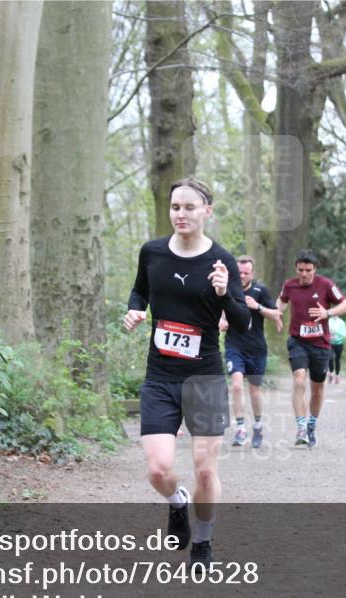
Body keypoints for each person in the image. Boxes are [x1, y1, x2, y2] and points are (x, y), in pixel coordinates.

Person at [123, 176, 250, 569]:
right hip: (160, 376)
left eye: (189, 207)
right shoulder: (153, 252)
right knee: (159, 469)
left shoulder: (222, 261)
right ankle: (177, 502)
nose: (181, 214)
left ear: (206, 212)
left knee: (205, 469)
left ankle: (204, 543)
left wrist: (225, 292)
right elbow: (139, 290)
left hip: (205, 377)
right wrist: (135, 310)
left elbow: (242, 323)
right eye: (175, 207)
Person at [277, 250, 346, 449]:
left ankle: (311, 425)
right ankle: (300, 427)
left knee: (317, 389)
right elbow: (282, 301)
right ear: (296, 269)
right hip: (298, 341)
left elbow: (345, 305)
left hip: (320, 345)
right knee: (299, 379)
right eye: (300, 270)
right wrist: (277, 314)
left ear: (315, 269)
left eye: (308, 270)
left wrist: (327, 312)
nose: (304, 274)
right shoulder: (289, 285)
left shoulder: (325, 285)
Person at [218, 255, 283, 448]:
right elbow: (218, 313)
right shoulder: (227, 289)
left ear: (252, 274)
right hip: (234, 346)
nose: (243, 276)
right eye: (240, 272)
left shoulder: (259, 290)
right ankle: (240, 430)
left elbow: (276, 314)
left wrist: (258, 306)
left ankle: (257, 426)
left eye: (246, 273)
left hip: (256, 349)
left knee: (255, 391)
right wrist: (220, 321)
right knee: (237, 385)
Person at [328, 315, 346, 384]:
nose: (334, 314)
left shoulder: (341, 322)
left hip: (339, 343)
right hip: (330, 343)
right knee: (330, 358)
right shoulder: (329, 321)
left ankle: (337, 375)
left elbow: (344, 335)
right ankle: (330, 374)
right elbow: (325, 331)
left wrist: (335, 332)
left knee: (337, 360)